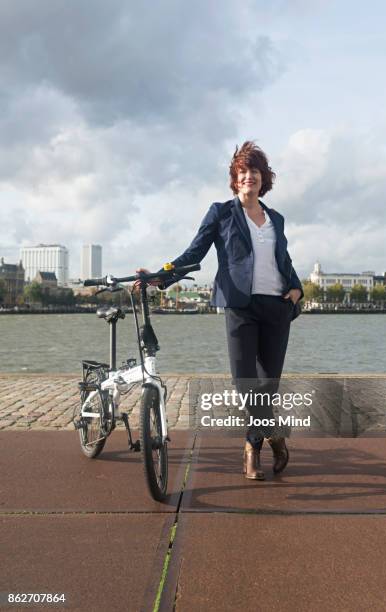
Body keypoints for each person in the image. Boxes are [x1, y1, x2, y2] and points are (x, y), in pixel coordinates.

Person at [138, 141, 303, 480]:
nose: (248, 178)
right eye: (242, 172)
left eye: (254, 172)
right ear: (234, 179)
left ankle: (251, 450)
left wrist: (297, 288)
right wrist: (159, 276)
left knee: (267, 386)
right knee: (245, 384)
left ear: (263, 178)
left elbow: (282, 260)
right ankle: (274, 435)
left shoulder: (276, 219)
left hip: (277, 308)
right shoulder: (221, 213)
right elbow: (194, 252)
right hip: (240, 307)